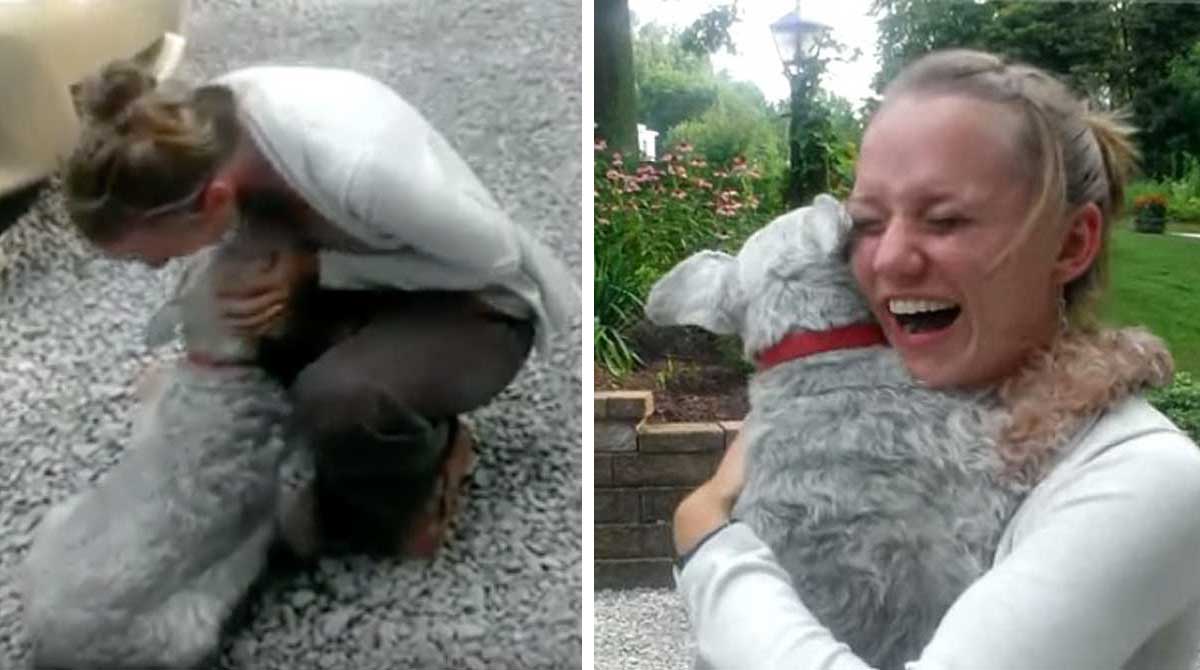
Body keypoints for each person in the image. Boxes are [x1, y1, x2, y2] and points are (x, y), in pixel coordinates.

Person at [672, 49, 1200, 670]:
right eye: (865, 222)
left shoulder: (1144, 478)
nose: (890, 259)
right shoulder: (885, 432)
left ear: (1072, 242)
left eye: (945, 220)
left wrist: (706, 533)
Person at [61, 60, 576, 560]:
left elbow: (495, 259)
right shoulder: (194, 133)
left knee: (338, 402)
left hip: (482, 304)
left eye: (152, 254)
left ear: (215, 200)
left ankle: (431, 468)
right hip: (367, 273)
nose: (155, 264)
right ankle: (340, 434)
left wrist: (316, 271)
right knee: (227, 301)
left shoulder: (359, 167)